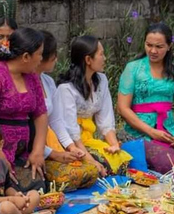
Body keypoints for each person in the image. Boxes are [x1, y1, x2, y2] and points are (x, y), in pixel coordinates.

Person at [0, 27, 48, 192]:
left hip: (23, 152)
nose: (41, 59)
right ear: (26, 57)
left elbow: (40, 113)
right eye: (39, 54)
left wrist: (38, 150)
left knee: (39, 187)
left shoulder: (31, 76)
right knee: (14, 192)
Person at [116, 22, 174, 173]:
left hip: (169, 131)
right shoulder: (133, 68)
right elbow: (122, 108)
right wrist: (151, 132)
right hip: (140, 132)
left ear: (169, 46)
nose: (153, 50)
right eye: (149, 45)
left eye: (159, 46)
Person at [52, 36, 131, 177]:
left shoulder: (101, 80)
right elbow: (70, 130)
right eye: (101, 54)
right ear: (88, 60)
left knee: (123, 162)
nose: (105, 58)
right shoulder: (66, 89)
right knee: (101, 166)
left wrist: (114, 146)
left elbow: (105, 117)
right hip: (71, 143)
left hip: (89, 140)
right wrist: (89, 160)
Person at [37, 31, 100, 190]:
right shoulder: (27, 84)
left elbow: (56, 120)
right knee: (75, 175)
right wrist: (54, 154)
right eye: (53, 55)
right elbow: (29, 132)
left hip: (53, 145)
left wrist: (72, 148)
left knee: (91, 171)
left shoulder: (48, 81)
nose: (56, 59)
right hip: (37, 149)